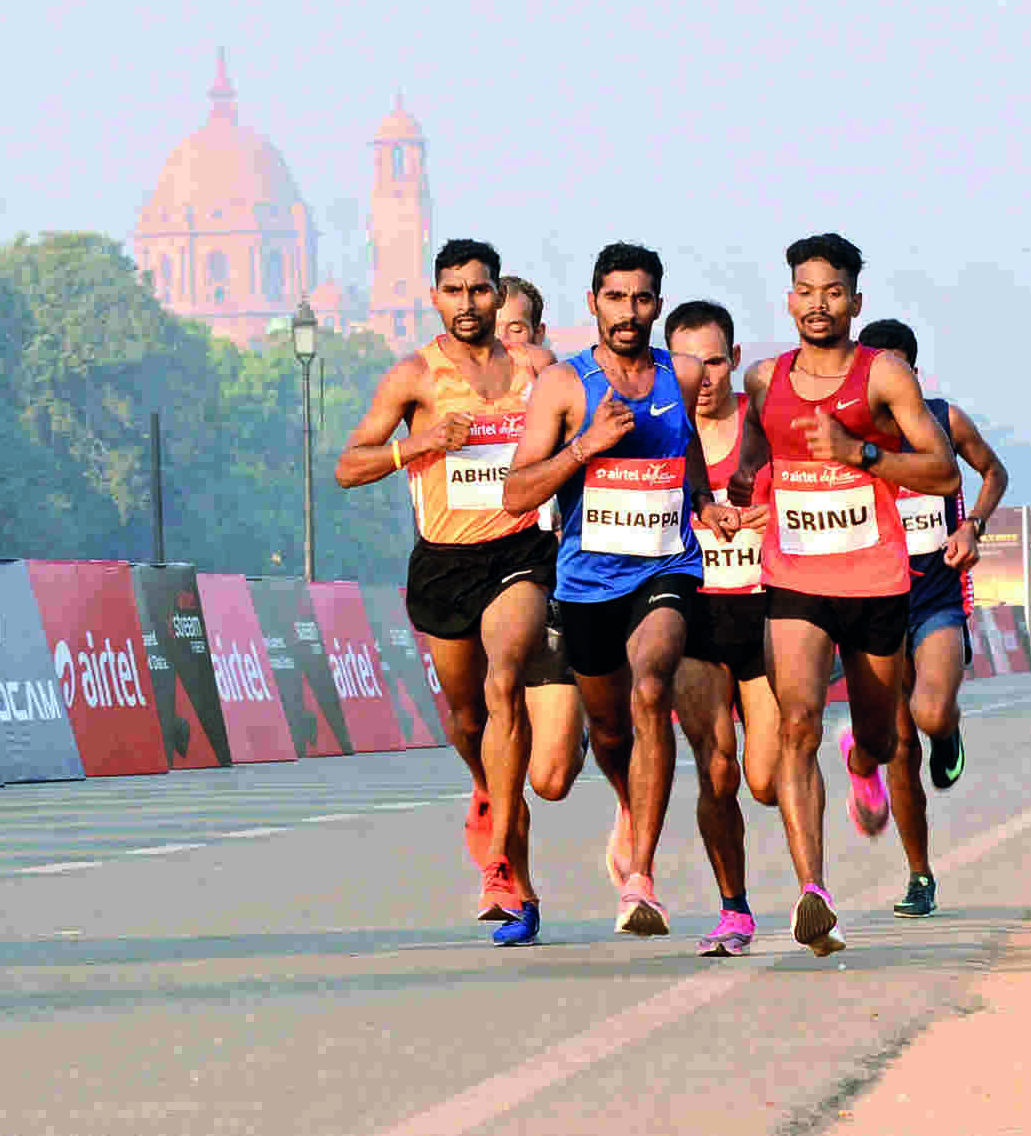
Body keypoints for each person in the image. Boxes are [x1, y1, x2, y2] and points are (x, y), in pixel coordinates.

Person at [334, 239, 584, 947]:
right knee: (469, 718)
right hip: (445, 563)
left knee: (505, 682)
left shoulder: (536, 369)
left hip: (521, 553)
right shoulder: (414, 376)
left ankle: (502, 868)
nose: (468, 304)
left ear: (497, 295)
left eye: (480, 290)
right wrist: (421, 444)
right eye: (454, 291)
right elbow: (348, 466)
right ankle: (489, 795)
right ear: (435, 297)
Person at [729, 233, 960, 956]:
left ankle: (862, 760)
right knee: (796, 724)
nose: (818, 304)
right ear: (789, 299)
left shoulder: (882, 376)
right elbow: (755, 446)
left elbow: (944, 473)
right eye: (806, 291)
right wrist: (743, 484)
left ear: (855, 302)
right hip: (795, 577)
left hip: (875, 579)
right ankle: (814, 892)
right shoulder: (765, 379)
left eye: (832, 292)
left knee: (884, 736)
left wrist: (860, 453)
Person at [506, 243, 744, 937]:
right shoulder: (564, 386)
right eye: (615, 298)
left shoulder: (682, 375)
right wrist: (586, 446)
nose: (628, 312)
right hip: (587, 583)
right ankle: (628, 800)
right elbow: (516, 492)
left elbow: (685, 449)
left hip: (666, 567)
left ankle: (640, 878)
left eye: (641, 299)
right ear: (593, 304)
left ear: (657, 305)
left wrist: (705, 503)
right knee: (610, 730)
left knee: (651, 686)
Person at [857, 318, 1009, 919]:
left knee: (929, 712)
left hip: (937, 597)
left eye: (899, 371)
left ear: (914, 376)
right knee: (898, 748)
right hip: (875, 602)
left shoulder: (945, 421)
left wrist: (972, 525)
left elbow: (994, 471)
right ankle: (919, 875)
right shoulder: (848, 436)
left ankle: (947, 729)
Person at [664, 300, 780, 958]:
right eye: (688, 363)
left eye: (714, 361)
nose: (703, 377)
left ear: (733, 360)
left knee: (764, 780)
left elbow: (811, 490)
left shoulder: (760, 423)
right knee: (717, 771)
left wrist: (769, 517)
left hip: (763, 615)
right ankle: (733, 909)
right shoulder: (658, 427)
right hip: (694, 618)